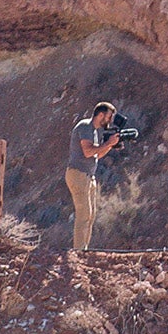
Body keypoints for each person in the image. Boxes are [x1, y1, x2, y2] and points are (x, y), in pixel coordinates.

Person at [66, 102, 126, 251]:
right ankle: (79, 250)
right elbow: (88, 151)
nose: (110, 120)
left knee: (90, 214)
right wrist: (109, 143)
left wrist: (110, 145)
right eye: (108, 116)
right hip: (78, 174)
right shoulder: (85, 127)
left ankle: (83, 249)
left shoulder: (96, 131)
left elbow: (98, 154)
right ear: (100, 115)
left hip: (88, 176)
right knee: (84, 213)